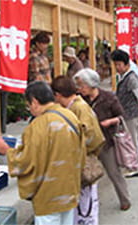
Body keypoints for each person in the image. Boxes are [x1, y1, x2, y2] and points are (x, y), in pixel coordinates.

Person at [0, 81, 85, 225]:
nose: (30, 109)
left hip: (48, 193)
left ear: (35, 102)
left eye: (29, 105)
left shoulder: (38, 126)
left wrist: (7, 151)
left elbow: (27, 161)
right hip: (70, 188)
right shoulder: (70, 116)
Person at [73, 68, 132, 211]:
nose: (80, 89)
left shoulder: (108, 98)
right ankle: (86, 207)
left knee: (113, 172)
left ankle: (125, 199)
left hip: (106, 141)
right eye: (78, 86)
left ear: (91, 84)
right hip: (88, 143)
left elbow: (120, 116)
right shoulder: (81, 100)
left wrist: (109, 122)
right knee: (87, 174)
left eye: (82, 85)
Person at [51, 75, 105, 224]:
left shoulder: (79, 108)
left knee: (85, 208)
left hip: (82, 162)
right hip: (77, 162)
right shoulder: (75, 106)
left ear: (58, 95)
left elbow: (91, 137)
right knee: (81, 206)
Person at [111, 49, 138, 174]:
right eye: (115, 64)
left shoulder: (131, 78)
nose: (117, 67)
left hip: (131, 113)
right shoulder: (123, 77)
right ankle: (132, 162)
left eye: (119, 65)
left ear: (127, 65)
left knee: (131, 140)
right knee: (130, 139)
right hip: (126, 113)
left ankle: (134, 167)